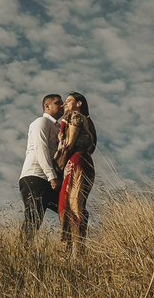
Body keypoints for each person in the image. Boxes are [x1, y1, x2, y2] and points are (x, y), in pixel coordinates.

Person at [55, 91, 97, 256]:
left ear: (79, 103)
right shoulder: (88, 122)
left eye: (68, 100)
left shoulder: (75, 116)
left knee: (70, 205)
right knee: (77, 204)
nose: (64, 104)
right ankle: (76, 250)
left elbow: (69, 145)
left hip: (76, 161)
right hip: (85, 161)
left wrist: (58, 164)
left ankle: (73, 251)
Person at [19, 93, 64, 241]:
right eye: (58, 103)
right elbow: (41, 149)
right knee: (34, 219)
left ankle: (69, 249)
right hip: (36, 177)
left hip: (50, 179)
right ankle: (22, 251)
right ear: (47, 106)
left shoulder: (59, 128)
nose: (62, 105)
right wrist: (52, 177)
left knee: (70, 212)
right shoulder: (41, 122)